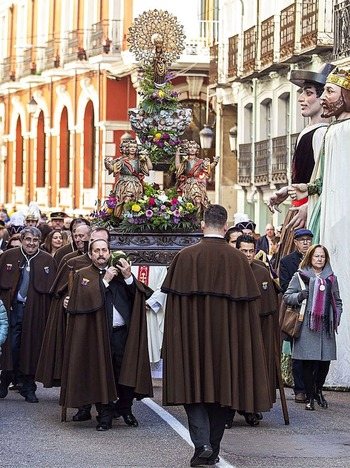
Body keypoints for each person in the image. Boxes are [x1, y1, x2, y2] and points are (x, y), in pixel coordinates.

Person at [161, 205, 272, 467]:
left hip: (192, 339)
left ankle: (203, 445)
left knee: (193, 388)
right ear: (225, 227)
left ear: (202, 225)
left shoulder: (185, 257)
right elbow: (248, 309)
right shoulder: (238, 260)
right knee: (225, 388)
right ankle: (211, 445)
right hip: (227, 340)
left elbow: (173, 309)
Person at [288, 67, 350, 388]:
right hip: (325, 211)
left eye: (330, 92)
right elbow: (320, 180)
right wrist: (305, 193)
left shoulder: (337, 132)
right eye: (322, 92)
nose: (324, 98)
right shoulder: (329, 133)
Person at [59, 239, 153, 431]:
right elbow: (82, 302)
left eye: (104, 250)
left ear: (109, 253)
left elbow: (138, 297)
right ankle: (105, 415)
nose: (101, 254)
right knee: (101, 374)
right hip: (97, 335)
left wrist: (128, 277)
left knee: (125, 373)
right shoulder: (84, 275)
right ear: (91, 255)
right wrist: (104, 281)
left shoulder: (120, 272)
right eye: (96, 251)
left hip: (121, 334)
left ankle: (125, 409)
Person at [267, 63, 334, 265]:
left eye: (309, 93)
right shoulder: (309, 132)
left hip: (306, 214)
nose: (301, 99)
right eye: (302, 93)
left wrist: (308, 206)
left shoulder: (322, 133)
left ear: (323, 98)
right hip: (297, 210)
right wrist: (287, 190)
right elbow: (306, 176)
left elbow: (325, 179)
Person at [224, 234, 279, 429]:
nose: (248, 255)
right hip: (233, 331)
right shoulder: (227, 270)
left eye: (251, 251)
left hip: (256, 330)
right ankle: (227, 412)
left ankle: (250, 410)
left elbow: (270, 305)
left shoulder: (262, 271)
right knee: (232, 370)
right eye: (244, 251)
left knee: (252, 371)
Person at [0, 227, 57, 402]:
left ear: (39, 242)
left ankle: (29, 386)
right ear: (22, 239)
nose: (31, 243)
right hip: (13, 308)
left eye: (35, 240)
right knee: (12, 345)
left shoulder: (47, 260)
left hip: (36, 310)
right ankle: (6, 379)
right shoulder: (8, 256)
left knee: (32, 346)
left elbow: (53, 290)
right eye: (28, 239)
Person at [284, 244, 342, 410]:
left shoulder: (332, 278)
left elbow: (337, 300)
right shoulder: (300, 276)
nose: (319, 259)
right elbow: (287, 297)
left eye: (322, 256)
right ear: (310, 257)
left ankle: (318, 391)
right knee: (308, 364)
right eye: (316, 256)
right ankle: (309, 397)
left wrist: (337, 316)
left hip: (326, 327)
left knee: (324, 364)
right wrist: (300, 296)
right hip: (307, 326)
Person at [279, 228, 314, 402]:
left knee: (316, 353)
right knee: (298, 352)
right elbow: (284, 287)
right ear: (296, 242)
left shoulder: (318, 259)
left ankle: (313, 388)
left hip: (316, 311)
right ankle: (300, 388)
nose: (306, 243)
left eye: (309, 239)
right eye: (302, 240)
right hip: (297, 311)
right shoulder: (287, 261)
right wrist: (301, 294)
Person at [131, 265, 167, 378]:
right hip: (132, 311)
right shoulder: (128, 263)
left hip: (152, 314)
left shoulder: (160, 267)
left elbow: (163, 287)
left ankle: (153, 379)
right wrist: (135, 303)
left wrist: (149, 303)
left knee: (153, 342)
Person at [104, 139, 153, 218]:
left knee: (134, 201)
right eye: (130, 147)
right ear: (127, 149)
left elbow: (150, 167)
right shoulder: (122, 161)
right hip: (124, 184)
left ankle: (132, 218)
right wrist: (107, 164)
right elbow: (113, 168)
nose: (133, 149)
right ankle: (124, 217)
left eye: (134, 147)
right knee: (125, 200)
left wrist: (146, 156)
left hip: (136, 184)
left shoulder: (139, 161)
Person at [175, 140, 219, 211]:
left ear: (197, 150)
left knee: (198, 200)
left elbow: (208, 168)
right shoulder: (185, 162)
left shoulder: (200, 162)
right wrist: (177, 154)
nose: (192, 149)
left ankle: (198, 218)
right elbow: (177, 167)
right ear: (187, 149)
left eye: (194, 147)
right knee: (186, 202)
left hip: (197, 184)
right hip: (187, 185)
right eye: (190, 147)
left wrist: (214, 162)